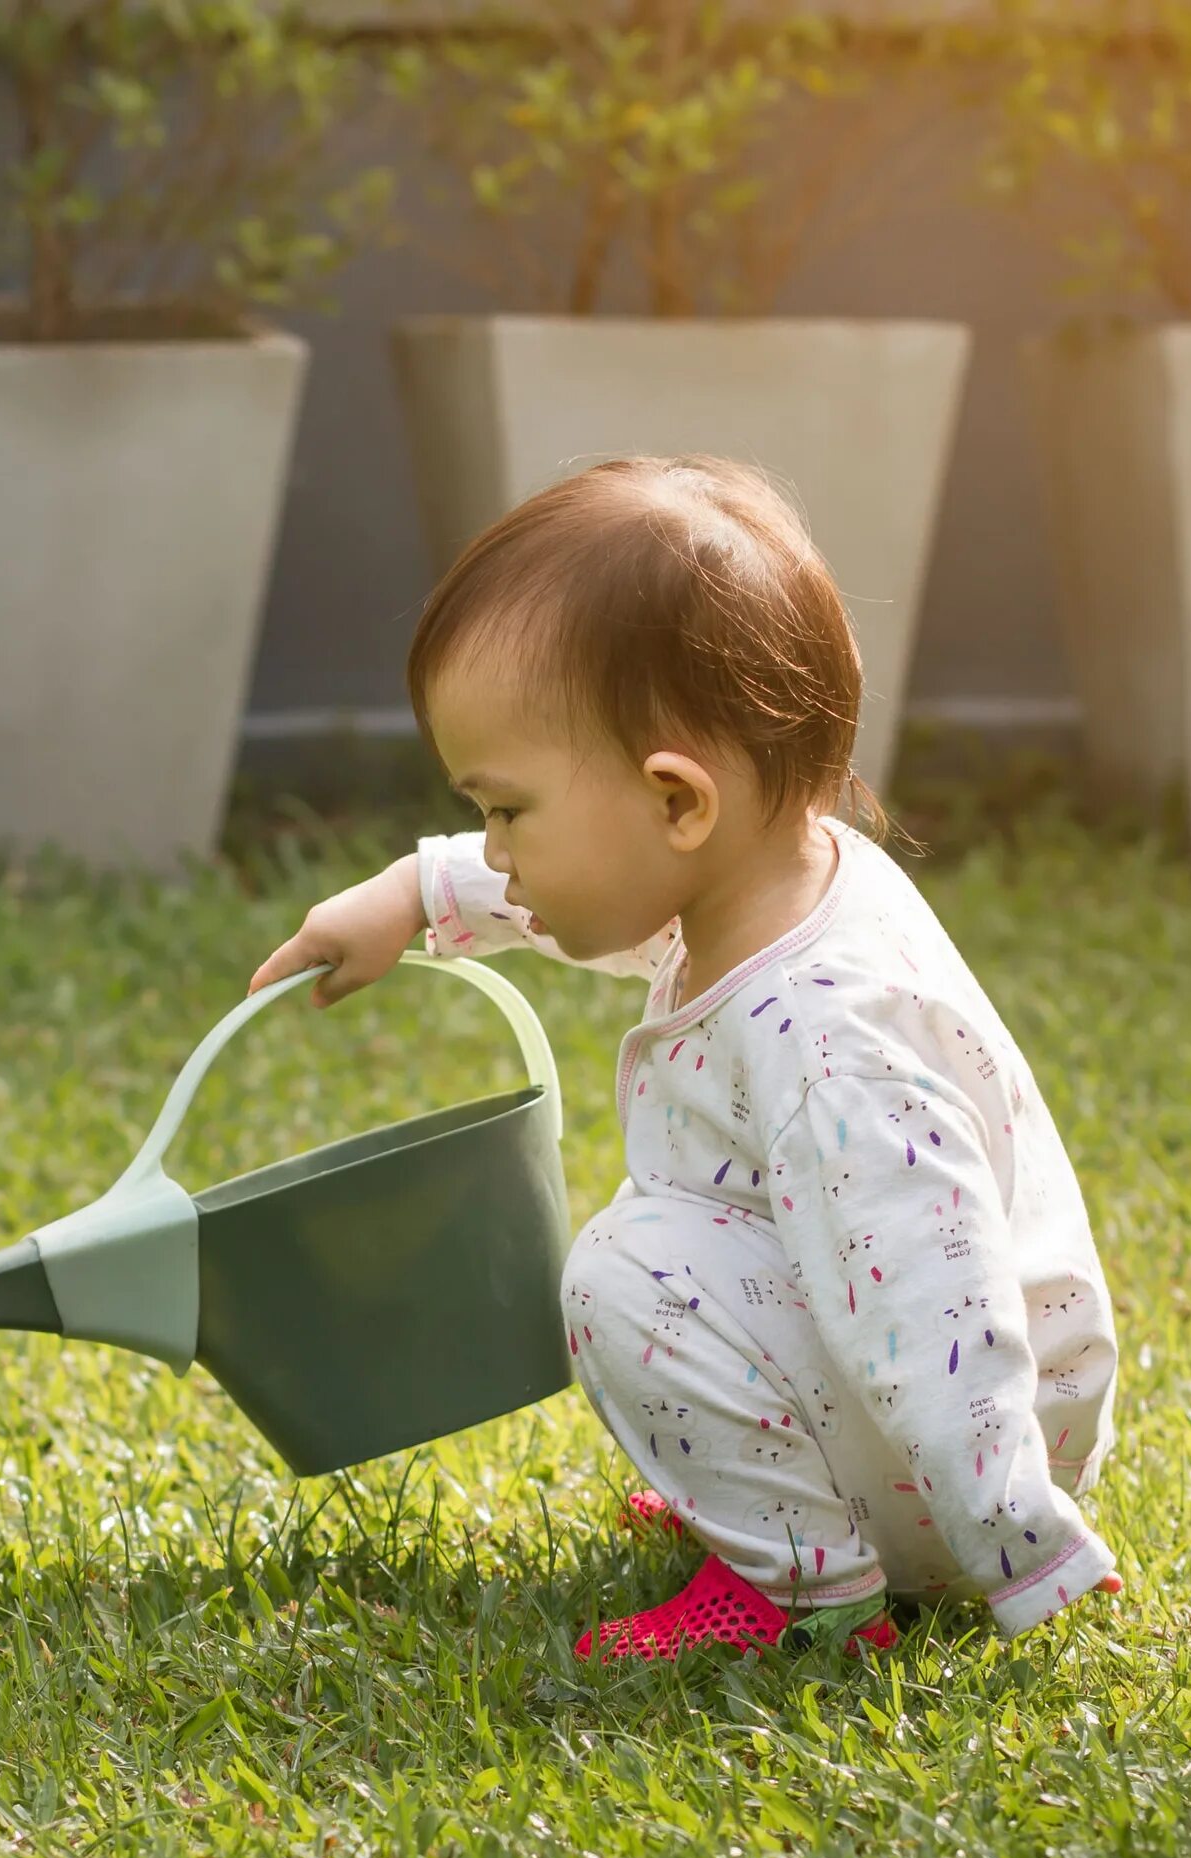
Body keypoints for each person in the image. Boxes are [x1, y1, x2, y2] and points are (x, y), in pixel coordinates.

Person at [249, 456, 1124, 1660]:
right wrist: (413, 892)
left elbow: (934, 1286)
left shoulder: (831, 1042)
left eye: (506, 813)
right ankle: (785, 1467)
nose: (495, 847)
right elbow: (604, 903)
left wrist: (1017, 1538)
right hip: (913, 1401)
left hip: (955, 1442)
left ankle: (808, 1584)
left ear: (677, 801)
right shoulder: (769, 870)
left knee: (627, 1273)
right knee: (673, 1244)